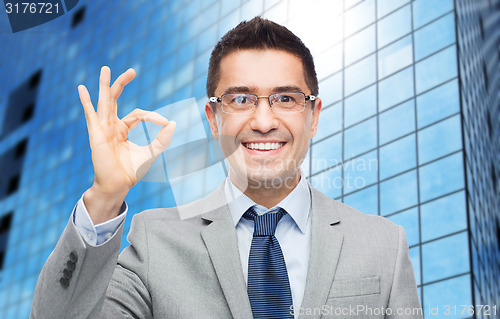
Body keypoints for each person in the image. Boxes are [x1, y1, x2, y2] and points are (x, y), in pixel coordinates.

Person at [31, 17, 422, 318]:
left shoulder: (383, 245)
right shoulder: (156, 241)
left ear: (313, 116)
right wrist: (106, 197)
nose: (264, 121)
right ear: (214, 119)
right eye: (240, 100)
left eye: (285, 98)